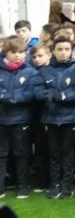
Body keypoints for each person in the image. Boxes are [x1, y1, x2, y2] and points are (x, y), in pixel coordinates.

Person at [39, 37, 75, 199]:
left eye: (67, 49)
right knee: (53, 153)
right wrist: (48, 95)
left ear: (72, 51)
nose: (63, 52)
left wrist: (63, 96)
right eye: (60, 49)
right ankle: (55, 185)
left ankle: (67, 185)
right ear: (53, 51)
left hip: (71, 118)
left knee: (68, 152)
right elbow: (39, 91)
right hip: (51, 118)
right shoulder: (45, 70)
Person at [0, 38, 39, 199]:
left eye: (21, 52)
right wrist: (5, 96)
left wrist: (16, 98)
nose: (17, 55)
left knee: (21, 153)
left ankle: (23, 186)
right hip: (1, 119)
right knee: (1, 154)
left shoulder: (31, 72)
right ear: (5, 53)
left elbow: (33, 93)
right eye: (13, 52)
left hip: (21, 119)